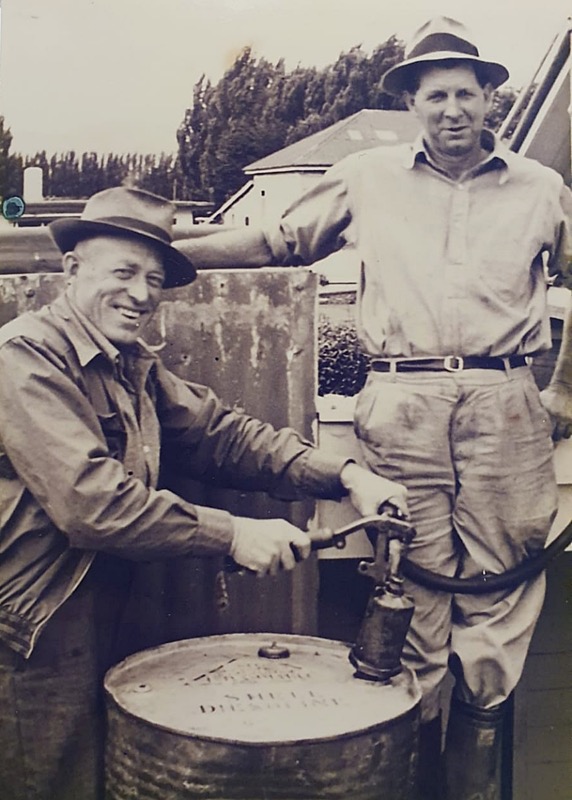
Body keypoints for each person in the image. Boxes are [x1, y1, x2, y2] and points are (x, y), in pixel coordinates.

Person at [175, 16, 572, 800]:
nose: (452, 109)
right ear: (412, 103)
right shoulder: (366, 178)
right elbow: (276, 241)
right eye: (436, 95)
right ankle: (411, 764)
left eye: (466, 93)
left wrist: (563, 390)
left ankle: (474, 777)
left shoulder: (541, 189)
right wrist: (165, 255)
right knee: (409, 588)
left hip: (505, 405)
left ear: (490, 98)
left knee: (499, 596)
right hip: (402, 402)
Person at [0, 185, 408, 800]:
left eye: (154, 280)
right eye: (124, 273)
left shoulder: (129, 362)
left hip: (100, 608)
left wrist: (347, 475)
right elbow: (93, 504)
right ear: (73, 269)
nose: (142, 294)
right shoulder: (25, 357)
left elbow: (222, 436)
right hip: (34, 627)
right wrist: (234, 534)